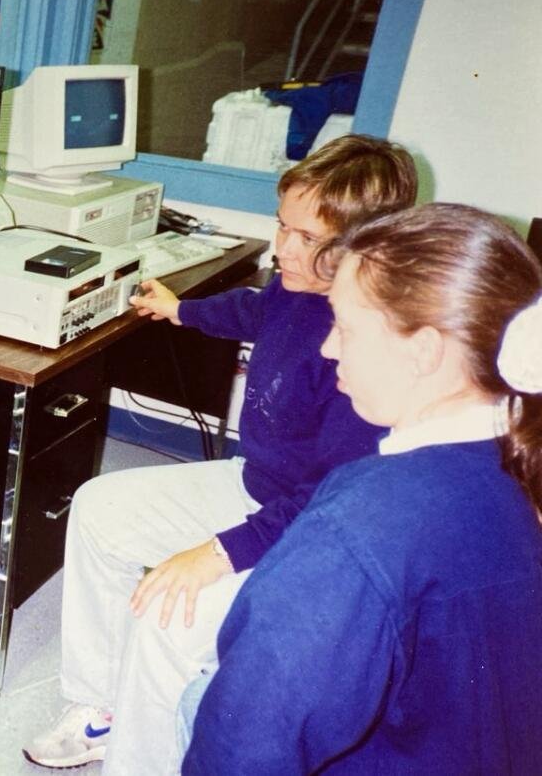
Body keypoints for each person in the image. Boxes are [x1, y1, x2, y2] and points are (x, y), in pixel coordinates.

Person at [23, 135, 418, 773]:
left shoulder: (364, 352)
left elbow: (328, 506)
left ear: (365, 249)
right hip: (257, 485)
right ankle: (101, 706)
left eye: (308, 239)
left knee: (166, 614)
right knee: (97, 505)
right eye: (282, 227)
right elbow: (254, 310)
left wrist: (218, 554)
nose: (282, 249)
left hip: (304, 534)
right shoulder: (297, 288)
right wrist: (184, 311)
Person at [184, 203, 542, 773]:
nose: (328, 349)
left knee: (197, 701)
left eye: (345, 328)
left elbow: (248, 740)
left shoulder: (354, 523)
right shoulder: (515, 460)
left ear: (423, 351)